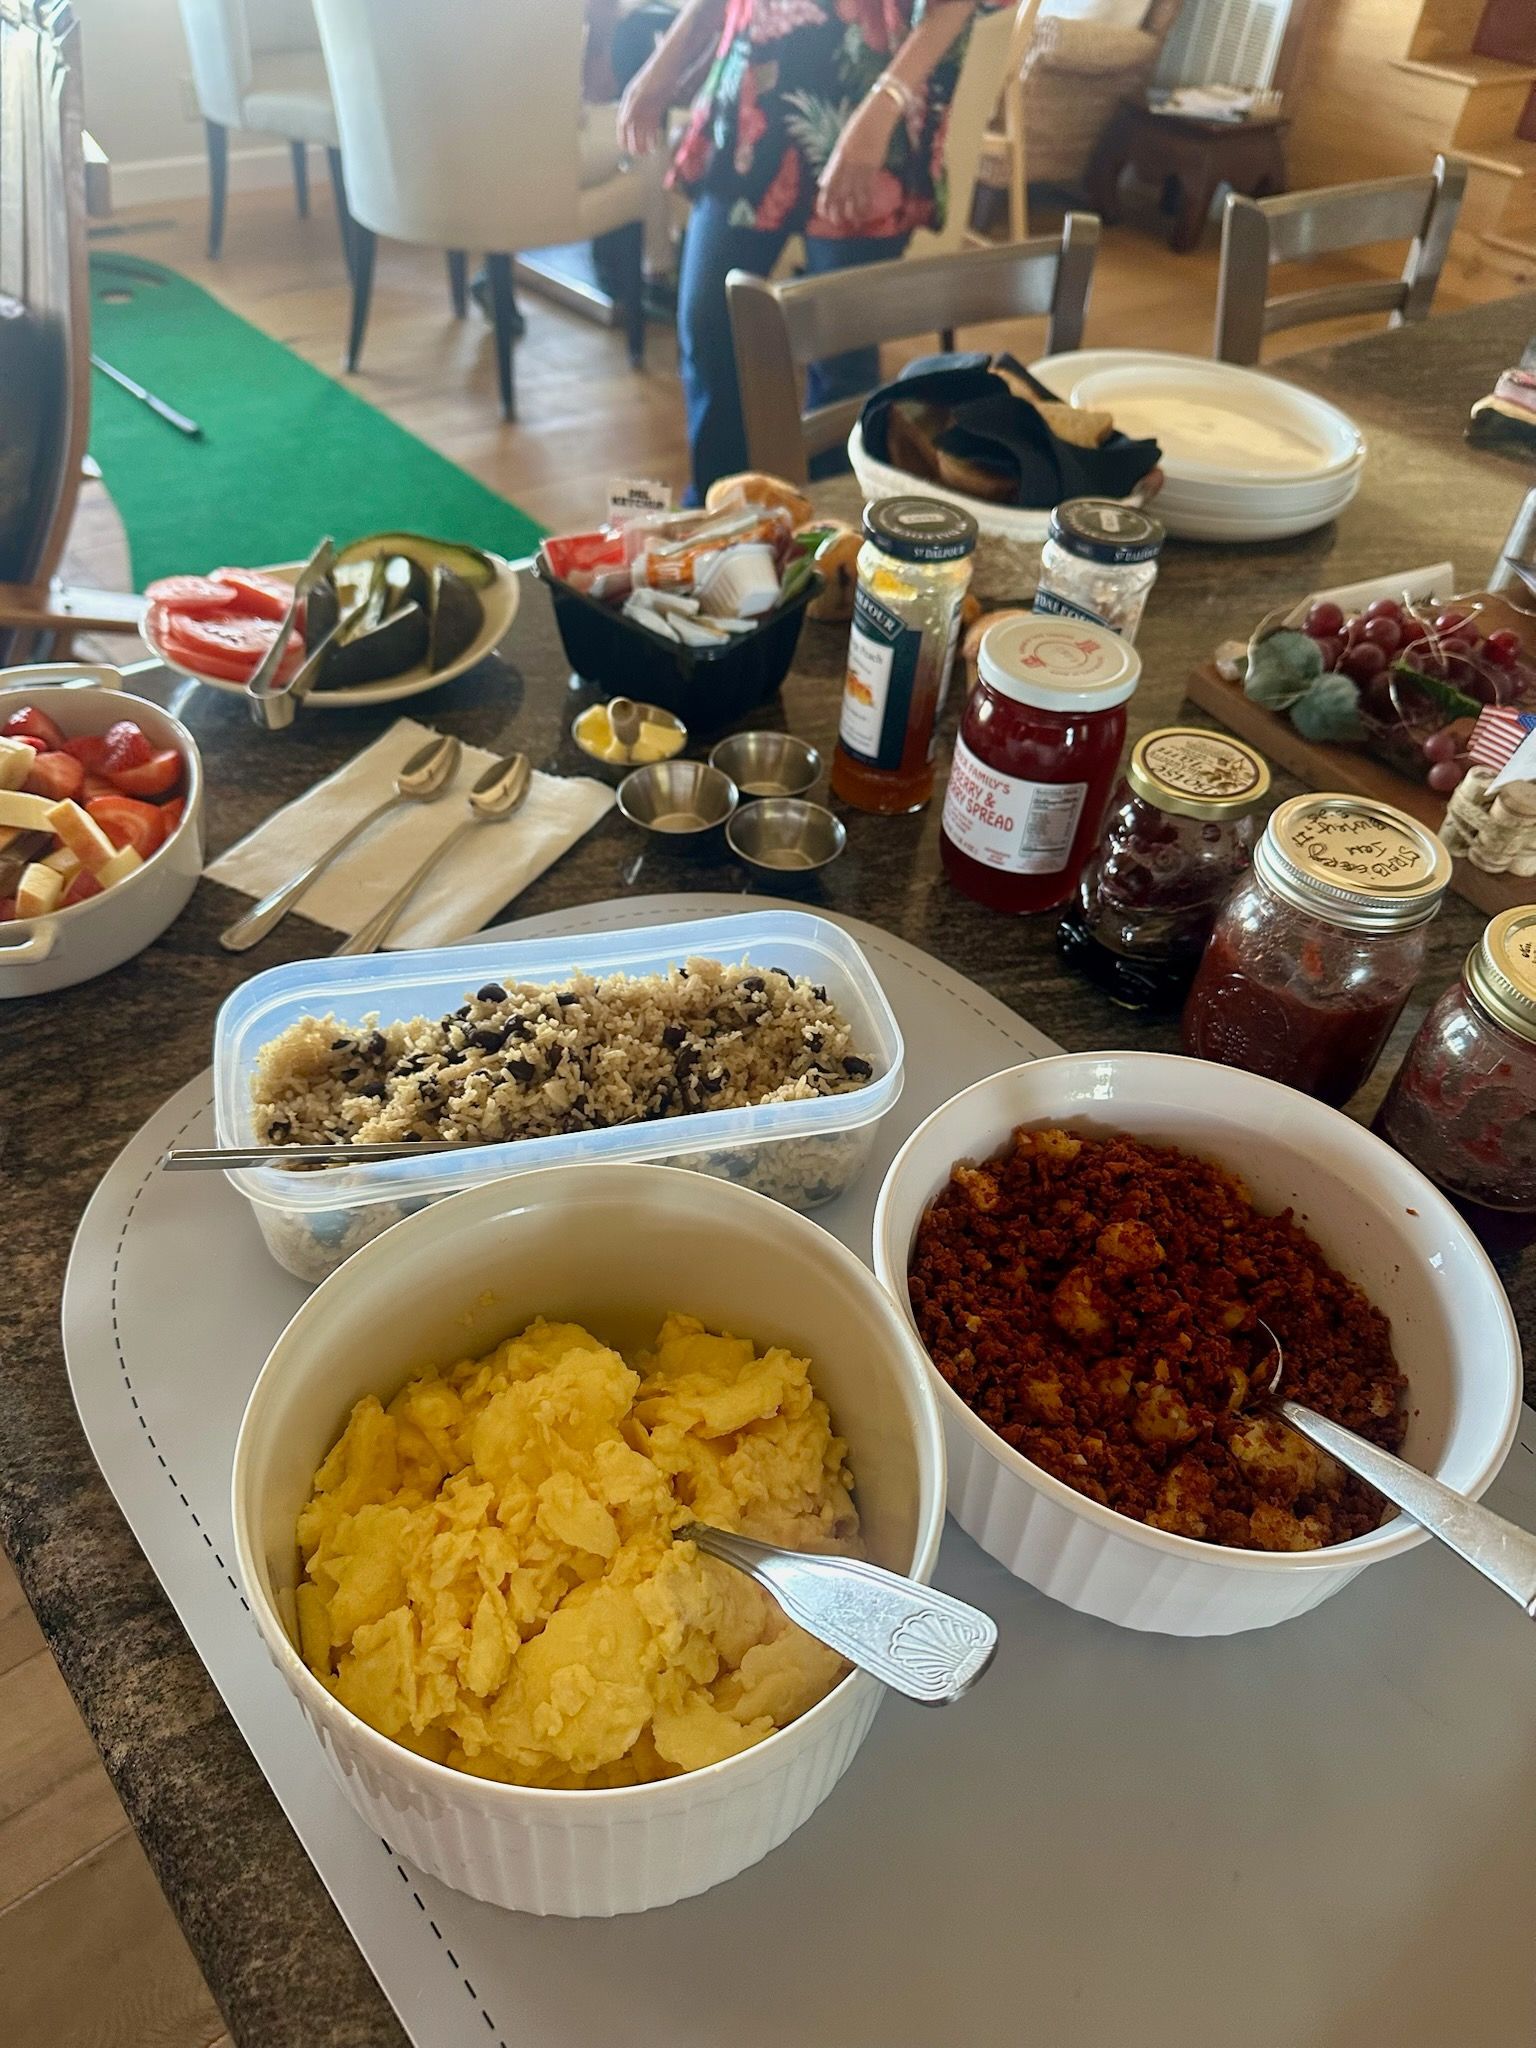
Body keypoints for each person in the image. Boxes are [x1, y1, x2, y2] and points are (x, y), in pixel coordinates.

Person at [619, 0, 1000, 502]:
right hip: (750, 103)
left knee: (841, 361)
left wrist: (883, 106)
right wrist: (666, 60)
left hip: (867, 109)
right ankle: (719, 513)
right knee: (709, 329)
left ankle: (828, 522)